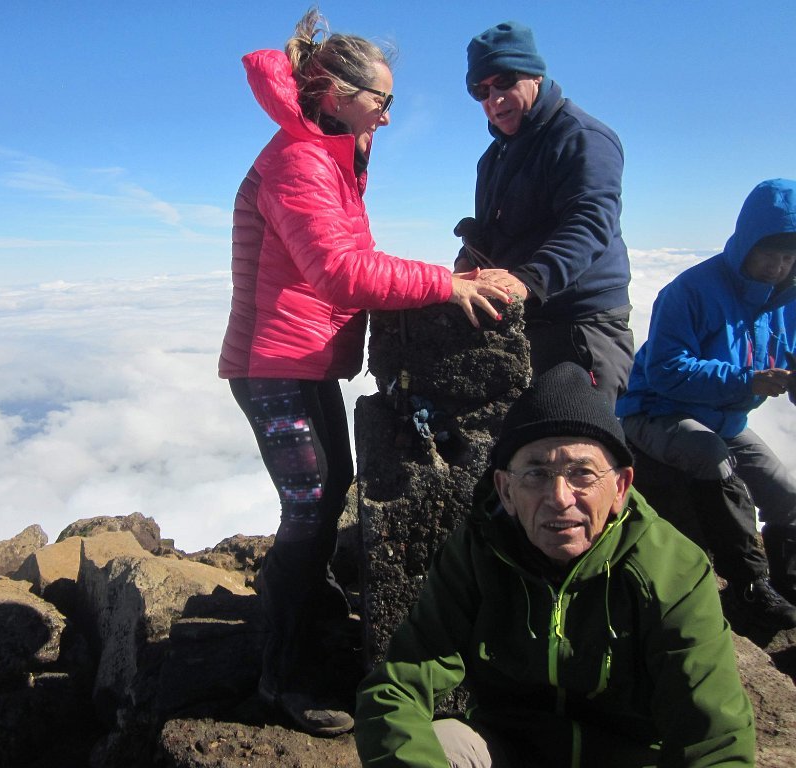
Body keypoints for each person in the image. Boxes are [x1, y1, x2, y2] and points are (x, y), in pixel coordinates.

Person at [218, 9, 512, 737]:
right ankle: (281, 676)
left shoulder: (327, 154)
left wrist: (443, 281)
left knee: (328, 492)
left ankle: (306, 614)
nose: (386, 114)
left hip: (298, 359)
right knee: (311, 507)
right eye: (381, 100)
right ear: (337, 92)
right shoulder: (300, 160)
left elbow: (348, 260)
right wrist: (445, 287)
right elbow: (338, 272)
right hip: (273, 365)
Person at [355, 362, 755, 767]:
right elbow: (397, 689)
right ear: (505, 490)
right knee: (441, 745)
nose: (560, 497)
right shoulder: (479, 552)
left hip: (628, 758)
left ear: (620, 488)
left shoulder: (672, 569)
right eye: (536, 473)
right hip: (509, 749)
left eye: (582, 473)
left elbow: (715, 740)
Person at [617, 178, 796, 631]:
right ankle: (749, 586)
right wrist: (748, 381)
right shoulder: (690, 291)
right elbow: (665, 370)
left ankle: (789, 583)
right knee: (711, 459)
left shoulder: (788, 302)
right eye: (769, 253)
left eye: (788, 256)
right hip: (654, 411)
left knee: (786, 493)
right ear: (747, 242)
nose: (778, 265)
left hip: (725, 418)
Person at [455, 21, 634, 406]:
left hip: (582, 326)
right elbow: (495, 229)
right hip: (529, 319)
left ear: (535, 74)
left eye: (504, 81)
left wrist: (528, 280)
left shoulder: (580, 137)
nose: (494, 99)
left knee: (576, 436)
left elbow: (589, 223)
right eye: (481, 91)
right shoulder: (494, 158)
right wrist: (468, 260)